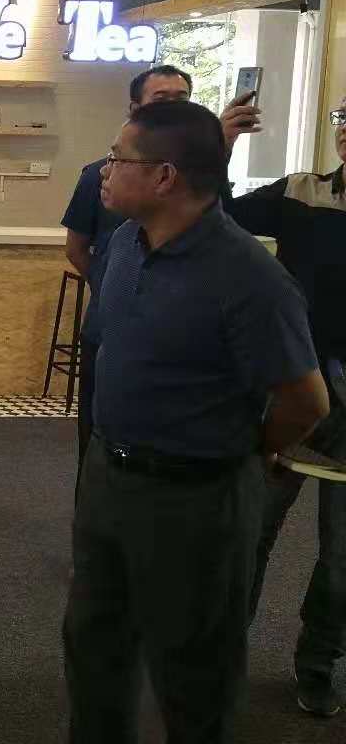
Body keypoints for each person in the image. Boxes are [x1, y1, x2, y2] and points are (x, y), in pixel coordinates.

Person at [63, 100, 328, 744]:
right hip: (108, 476)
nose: (103, 170)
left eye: (118, 158)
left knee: (194, 673)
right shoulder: (123, 243)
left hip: (197, 495)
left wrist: (247, 450)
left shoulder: (249, 277)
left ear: (164, 177)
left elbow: (306, 400)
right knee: (94, 647)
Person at [61, 65, 259, 490]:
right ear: (135, 109)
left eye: (181, 100)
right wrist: (115, 289)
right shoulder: (107, 196)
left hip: (190, 468)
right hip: (108, 332)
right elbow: (76, 247)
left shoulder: (247, 266)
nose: (172, 109)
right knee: (100, 442)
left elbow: (299, 397)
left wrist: (220, 149)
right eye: (161, 100)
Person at [232, 102, 346, 718]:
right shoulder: (302, 191)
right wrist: (221, 143)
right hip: (291, 391)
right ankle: (223, 650)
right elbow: (220, 214)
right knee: (250, 530)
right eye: (345, 121)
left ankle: (319, 662)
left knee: (342, 561)